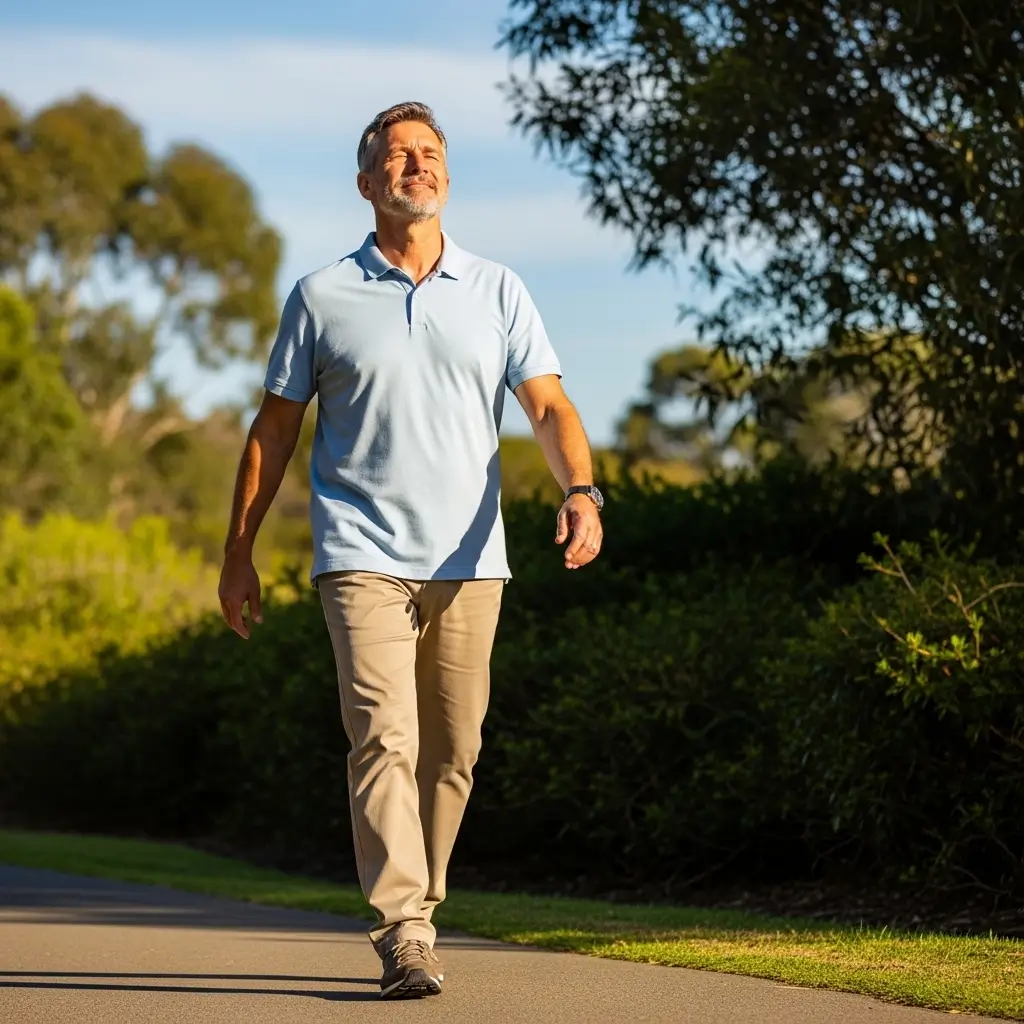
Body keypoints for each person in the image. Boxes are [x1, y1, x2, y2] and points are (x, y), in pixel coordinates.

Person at [217, 101, 604, 1000]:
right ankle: (404, 928)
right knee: (382, 738)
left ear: (447, 176)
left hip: (474, 560)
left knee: (454, 751)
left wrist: (579, 491)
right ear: (367, 183)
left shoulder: (500, 289)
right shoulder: (321, 295)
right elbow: (274, 430)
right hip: (360, 550)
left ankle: (419, 908)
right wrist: (239, 550)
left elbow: (547, 407)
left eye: (429, 153)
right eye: (397, 156)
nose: (415, 166)